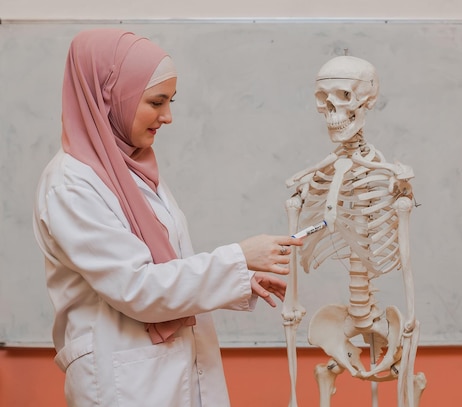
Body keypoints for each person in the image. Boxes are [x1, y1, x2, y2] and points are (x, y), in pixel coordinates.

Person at [32, 28, 302, 406]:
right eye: (156, 102)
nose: (168, 116)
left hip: (165, 372)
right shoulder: (71, 185)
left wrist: (240, 277)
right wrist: (237, 258)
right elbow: (137, 287)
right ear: (110, 98)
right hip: (123, 381)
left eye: (170, 101)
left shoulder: (133, 171)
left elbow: (165, 267)